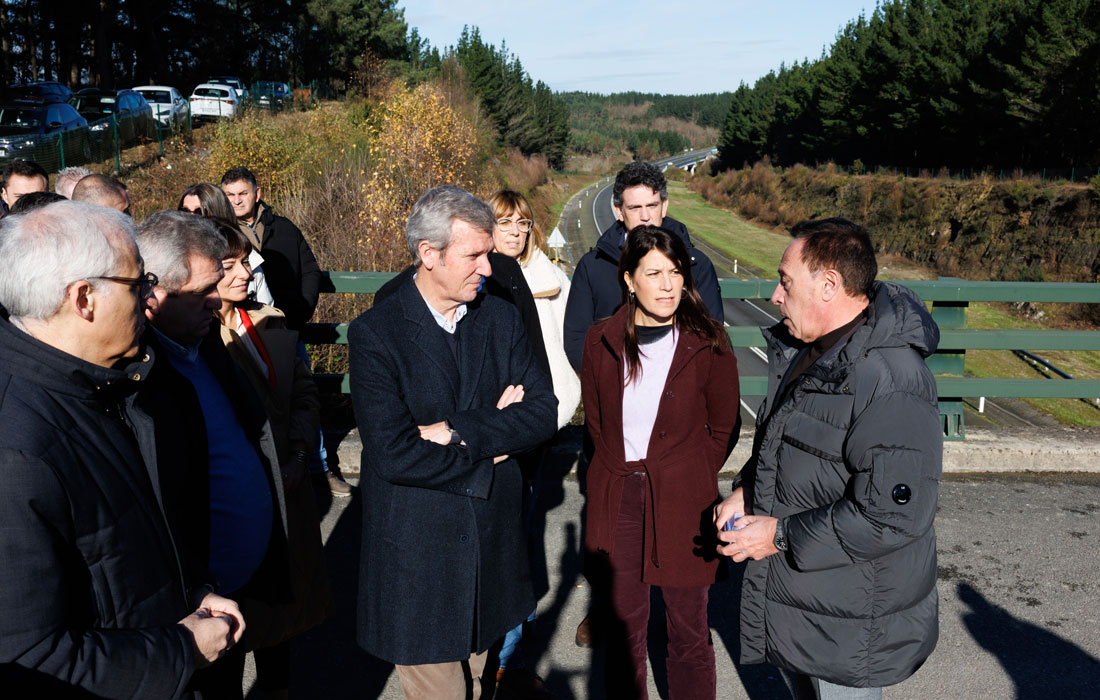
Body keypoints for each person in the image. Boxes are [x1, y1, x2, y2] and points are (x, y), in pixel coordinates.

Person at [0, 200, 244, 696]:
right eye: (140, 284)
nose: (150, 298)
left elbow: (127, 542)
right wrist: (182, 649)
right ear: (84, 298)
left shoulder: (111, 387)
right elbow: (26, 655)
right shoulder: (17, 450)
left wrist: (192, 593)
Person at [714, 218, 941, 700]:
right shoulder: (811, 350)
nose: (776, 295)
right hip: (806, 603)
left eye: (785, 281)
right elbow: (790, 445)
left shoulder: (890, 378)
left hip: (850, 621)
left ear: (829, 285)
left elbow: (891, 516)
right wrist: (747, 489)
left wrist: (777, 534)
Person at [349, 185, 557, 700]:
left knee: (483, 686)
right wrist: (491, 438)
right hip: (420, 563)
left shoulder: (501, 318)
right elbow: (393, 453)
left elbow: (542, 413)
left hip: (492, 551)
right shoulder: (375, 334)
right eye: (475, 255)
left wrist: (457, 431)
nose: (489, 269)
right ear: (429, 254)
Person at [138, 211, 292, 700]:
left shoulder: (201, 344)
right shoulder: (142, 376)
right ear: (156, 293)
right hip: (190, 608)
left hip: (235, 592)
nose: (216, 299)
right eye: (204, 288)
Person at [583, 226, 740, 700]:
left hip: (683, 499)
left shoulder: (709, 341)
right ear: (629, 280)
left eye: (676, 272)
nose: (668, 285)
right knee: (624, 628)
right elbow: (597, 423)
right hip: (621, 496)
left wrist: (690, 470)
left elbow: (724, 425)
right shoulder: (600, 341)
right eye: (654, 273)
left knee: (688, 628)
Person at [209, 218, 331, 700]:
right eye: (230, 265)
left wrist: (300, 454)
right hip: (236, 505)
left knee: (282, 620)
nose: (245, 273)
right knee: (231, 629)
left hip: (290, 488)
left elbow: (304, 396)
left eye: (246, 262)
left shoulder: (269, 320)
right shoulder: (194, 343)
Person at [219, 167, 349, 497]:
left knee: (300, 395)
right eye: (230, 195)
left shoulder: (284, 228)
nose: (236, 201)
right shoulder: (221, 235)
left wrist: (300, 312)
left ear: (257, 193)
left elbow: (310, 269)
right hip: (241, 330)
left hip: (285, 330)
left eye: (242, 194)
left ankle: (320, 468)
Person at [563, 161, 723, 374]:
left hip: (679, 395)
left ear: (664, 206)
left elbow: (712, 336)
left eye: (652, 206)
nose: (645, 217)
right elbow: (576, 339)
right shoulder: (592, 266)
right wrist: (609, 384)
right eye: (635, 208)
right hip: (614, 391)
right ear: (619, 211)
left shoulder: (696, 265)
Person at [179, 182, 274, 306]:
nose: (190, 219)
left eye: (199, 212)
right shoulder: (172, 257)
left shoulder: (249, 259)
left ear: (218, 212)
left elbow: (266, 313)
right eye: (185, 211)